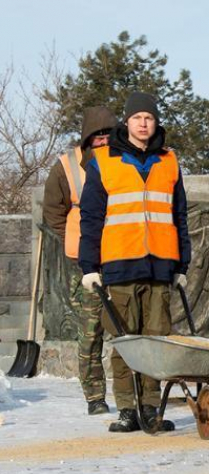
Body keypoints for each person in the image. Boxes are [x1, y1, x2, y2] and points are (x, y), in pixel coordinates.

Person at [78, 92, 191, 433]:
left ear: (156, 123)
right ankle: (127, 408)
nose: (143, 123)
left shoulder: (169, 161)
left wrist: (182, 265)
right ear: (126, 121)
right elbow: (91, 217)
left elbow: (179, 216)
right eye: (137, 117)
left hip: (160, 265)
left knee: (156, 341)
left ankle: (151, 408)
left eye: (150, 118)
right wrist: (89, 267)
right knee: (126, 341)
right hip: (119, 264)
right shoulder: (103, 161)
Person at [43, 106, 117, 416]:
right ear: (87, 138)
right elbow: (53, 211)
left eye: (108, 134)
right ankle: (95, 396)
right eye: (96, 135)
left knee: (128, 330)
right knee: (89, 333)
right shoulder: (66, 167)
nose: (102, 140)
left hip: (121, 256)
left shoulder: (126, 161)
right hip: (84, 263)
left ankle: (136, 394)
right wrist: (73, 240)